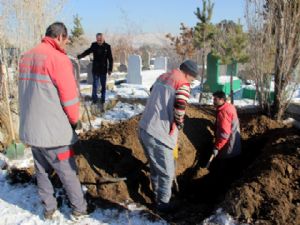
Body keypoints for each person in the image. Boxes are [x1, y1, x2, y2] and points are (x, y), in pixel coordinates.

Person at [18, 22, 87, 221]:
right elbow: (70, 98)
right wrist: (74, 121)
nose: (66, 45)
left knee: (41, 171)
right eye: (66, 40)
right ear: (59, 37)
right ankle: (79, 209)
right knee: (67, 172)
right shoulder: (58, 59)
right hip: (54, 133)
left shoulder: (26, 57)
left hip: (32, 130)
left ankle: (49, 209)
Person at [138, 59, 198, 213]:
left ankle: (158, 197)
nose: (193, 80)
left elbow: (152, 92)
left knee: (155, 167)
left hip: (145, 127)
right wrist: (180, 123)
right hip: (160, 133)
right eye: (193, 77)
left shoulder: (163, 76)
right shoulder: (183, 84)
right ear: (188, 73)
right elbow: (179, 108)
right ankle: (163, 206)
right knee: (166, 173)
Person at [77, 33, 113, 105]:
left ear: (103, 38)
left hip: (103, 69)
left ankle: (103, 98)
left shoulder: (107, 46)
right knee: (95, 85)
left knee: (103, 85)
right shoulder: (94, 45)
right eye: (97, 39)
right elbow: (87, 51)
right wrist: (80, 56)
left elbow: (110, 59)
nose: (99, 41)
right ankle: (94, 99)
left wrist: (110, 69)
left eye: (100, 39)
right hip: (95, 68)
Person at [212, 91, 241, 159]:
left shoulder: (224, 113)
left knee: (222, 164)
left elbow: (225, 135)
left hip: (228, 147)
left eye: (215, 99)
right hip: (235, 144)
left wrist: (217, 147)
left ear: (222, 100)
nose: (213, 101)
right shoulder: (229, 106)